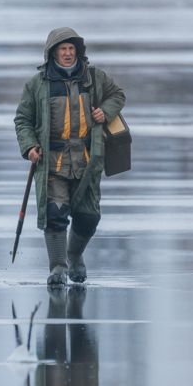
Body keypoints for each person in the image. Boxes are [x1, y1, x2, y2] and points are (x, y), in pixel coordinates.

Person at [14, 27, 126, 285]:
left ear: (77, 51)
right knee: (55, 213)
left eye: (71, 49)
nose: (67, 53)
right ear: (52, 52)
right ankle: (58, 268)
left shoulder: (95, 78)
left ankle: (75, 256)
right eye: (62, 49)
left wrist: (105, 112)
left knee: (88, 217)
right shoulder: (37, 84)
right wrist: (30, 146)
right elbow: (23, 119)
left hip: (87, 160)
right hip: (52, 161)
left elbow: (117, 95)